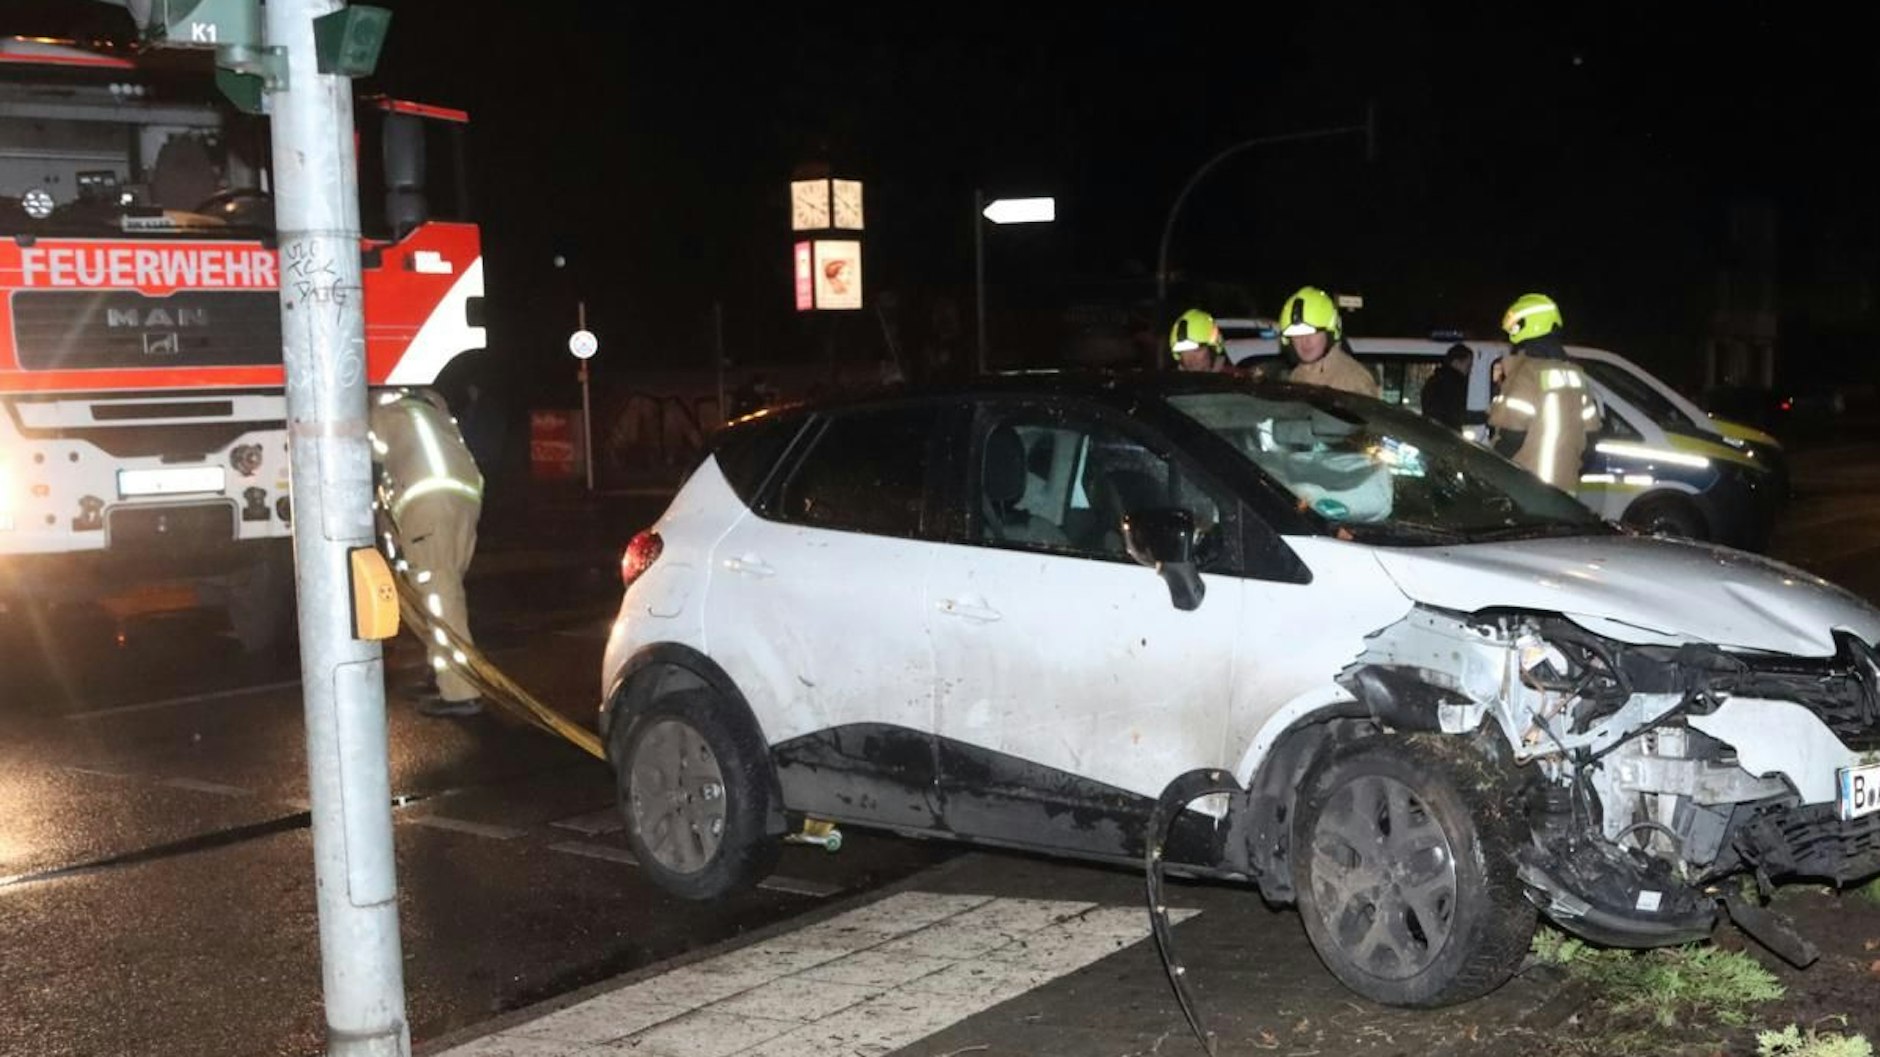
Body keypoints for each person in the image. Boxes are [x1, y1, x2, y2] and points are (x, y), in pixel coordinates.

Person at [370, 387, 487, 717]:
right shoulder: (428, 407)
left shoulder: (384, 411)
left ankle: (461, 692)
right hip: (462, 499)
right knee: (433, 592)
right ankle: (441, 674)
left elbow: (364, 449)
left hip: (429, 503)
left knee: (438, 594)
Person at [1487, 293, 1601, 491]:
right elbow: (1592, 438)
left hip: (1526, 489)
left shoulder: (1527, 372)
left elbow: (1510, 437)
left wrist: (1488, 469)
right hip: (1565, 490)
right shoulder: (1575, 375)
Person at [1277, 286, 1380, 397]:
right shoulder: (1297, 375)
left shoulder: (1352, 380)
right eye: (1296, 335)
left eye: (1312, 333)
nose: (1304, 341)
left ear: (1330, 334)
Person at [1421, 342, 1473, 431]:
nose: (1469, 370)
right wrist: (1482, 416)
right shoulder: (1453, 383)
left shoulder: (1435, 380)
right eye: (1468, 366)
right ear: (1456, 362)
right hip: (1446, 434)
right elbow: (1455, 414)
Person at [1168, 308, 1228, 372]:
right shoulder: (1169, 380)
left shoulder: (1232, 378)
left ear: (1212, 350)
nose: (1191, 358)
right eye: (1184, 351)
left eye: (1196, 350)